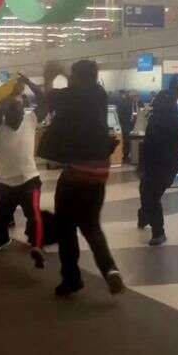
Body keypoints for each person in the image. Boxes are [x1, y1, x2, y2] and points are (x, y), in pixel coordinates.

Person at [37, 60, 124, 296]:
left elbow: (49, 97)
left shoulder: (71, 95)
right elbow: (75, 91)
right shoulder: (99, 94)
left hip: (76, 173)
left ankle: (71, 279)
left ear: (75, 77)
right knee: (92, 225)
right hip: (99, 174)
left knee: (66, 227)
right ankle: (110, 270)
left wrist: (51, 75)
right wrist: (69, 75)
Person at [0, 74, 48, 269]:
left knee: (34, 216)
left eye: (20, 111)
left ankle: (36, 243)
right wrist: (11, 95)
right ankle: (2, 239)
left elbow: (45, 101)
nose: (18, 115)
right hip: (5, 183)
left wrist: (28, 83)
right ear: (5, 112)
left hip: (30, 180)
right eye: (14, 111)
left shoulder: (30, 120)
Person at [137, 76, 178, 246]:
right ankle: (144, 216)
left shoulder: (156, 120)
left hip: (155, 167)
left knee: (149, 194)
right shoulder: (174, 121)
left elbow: (149, 143)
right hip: (167, 167)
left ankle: (158, 231)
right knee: (150, 194)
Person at [117, 89, 134, 162]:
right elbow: (129, 113)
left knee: (123, 140)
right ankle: (126, 155)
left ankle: (123, 155)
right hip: (127, 123)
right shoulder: (129, 102)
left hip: (122, 123)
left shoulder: (122, 102)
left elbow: (119, 113)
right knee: (127, 140)